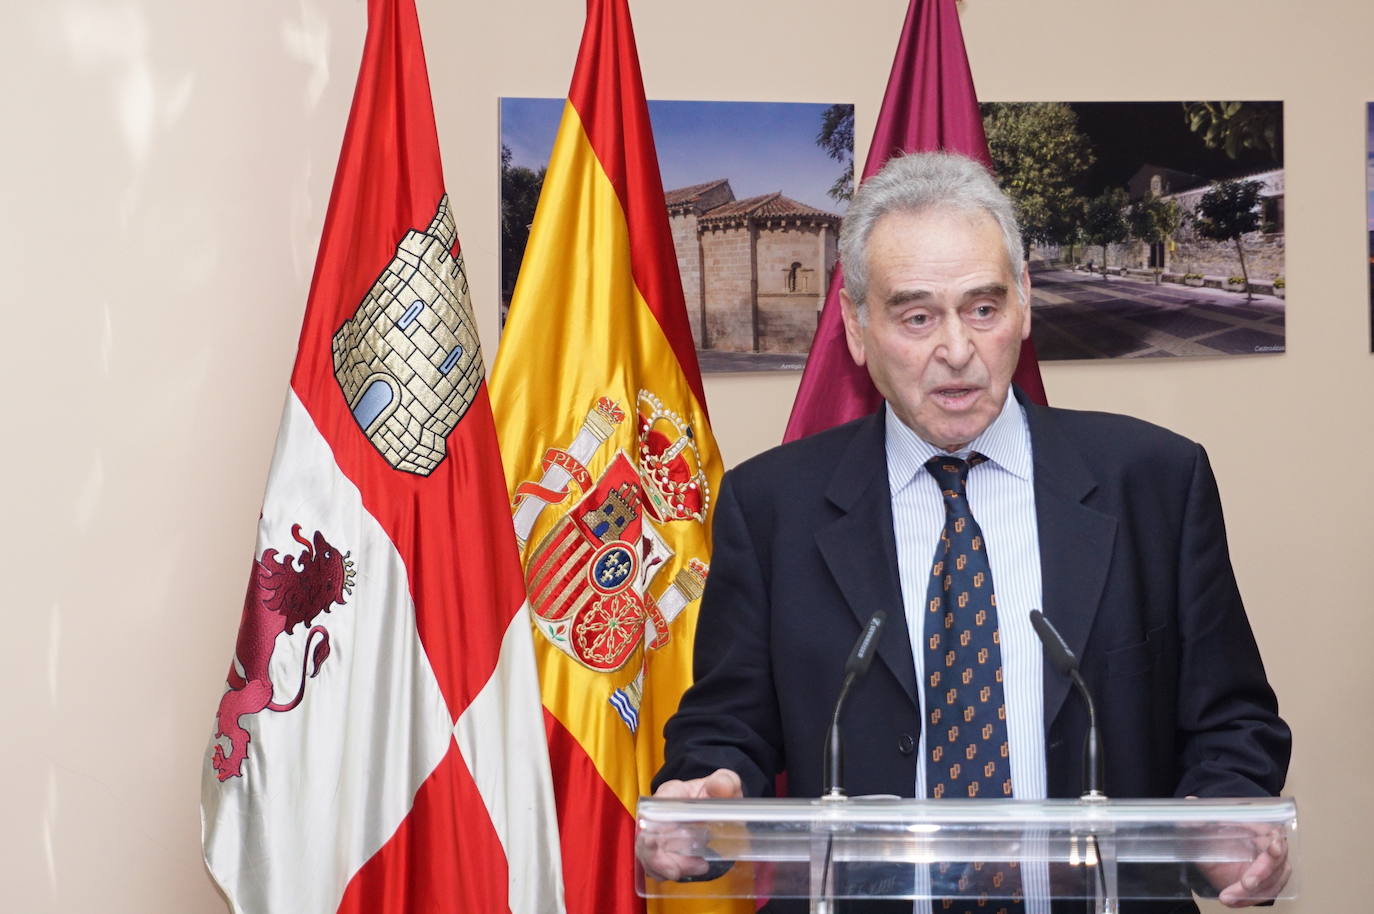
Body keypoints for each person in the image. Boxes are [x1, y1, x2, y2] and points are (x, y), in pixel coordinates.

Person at [645, 152, 1291, 913]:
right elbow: (729, 724)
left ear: (1024, 303)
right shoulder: (772, 506)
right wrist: (711, 786)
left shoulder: (1156, 481)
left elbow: (1231, 722)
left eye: (982, 308)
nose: (956, 350)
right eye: (917, 316)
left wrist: (1222, 814)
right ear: (856, 327)